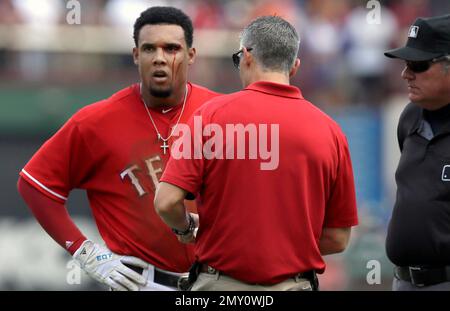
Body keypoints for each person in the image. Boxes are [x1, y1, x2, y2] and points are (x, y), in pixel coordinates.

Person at [17, 6, 220, 291]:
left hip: (218, 282)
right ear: (136, 55)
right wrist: (83, 250)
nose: (160, 58)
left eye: (172, 48)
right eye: (149, 48)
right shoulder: (97, 120)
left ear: (191, 55)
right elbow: (34, 184)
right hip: (140, 282)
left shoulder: (222, 113)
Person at [154, 16, 358, 291]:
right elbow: (338, 239)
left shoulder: (211, 116)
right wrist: (281, 246)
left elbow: (166, 202)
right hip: (294, 285)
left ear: (247, 56)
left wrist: (187, 229)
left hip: (220, 285)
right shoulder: (331, 132)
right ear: (294, 66)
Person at [384, 14, 450, 291]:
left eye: (418, 64)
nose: (406, 73)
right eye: (406, 63)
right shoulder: (410, 116)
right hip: (404, 281)